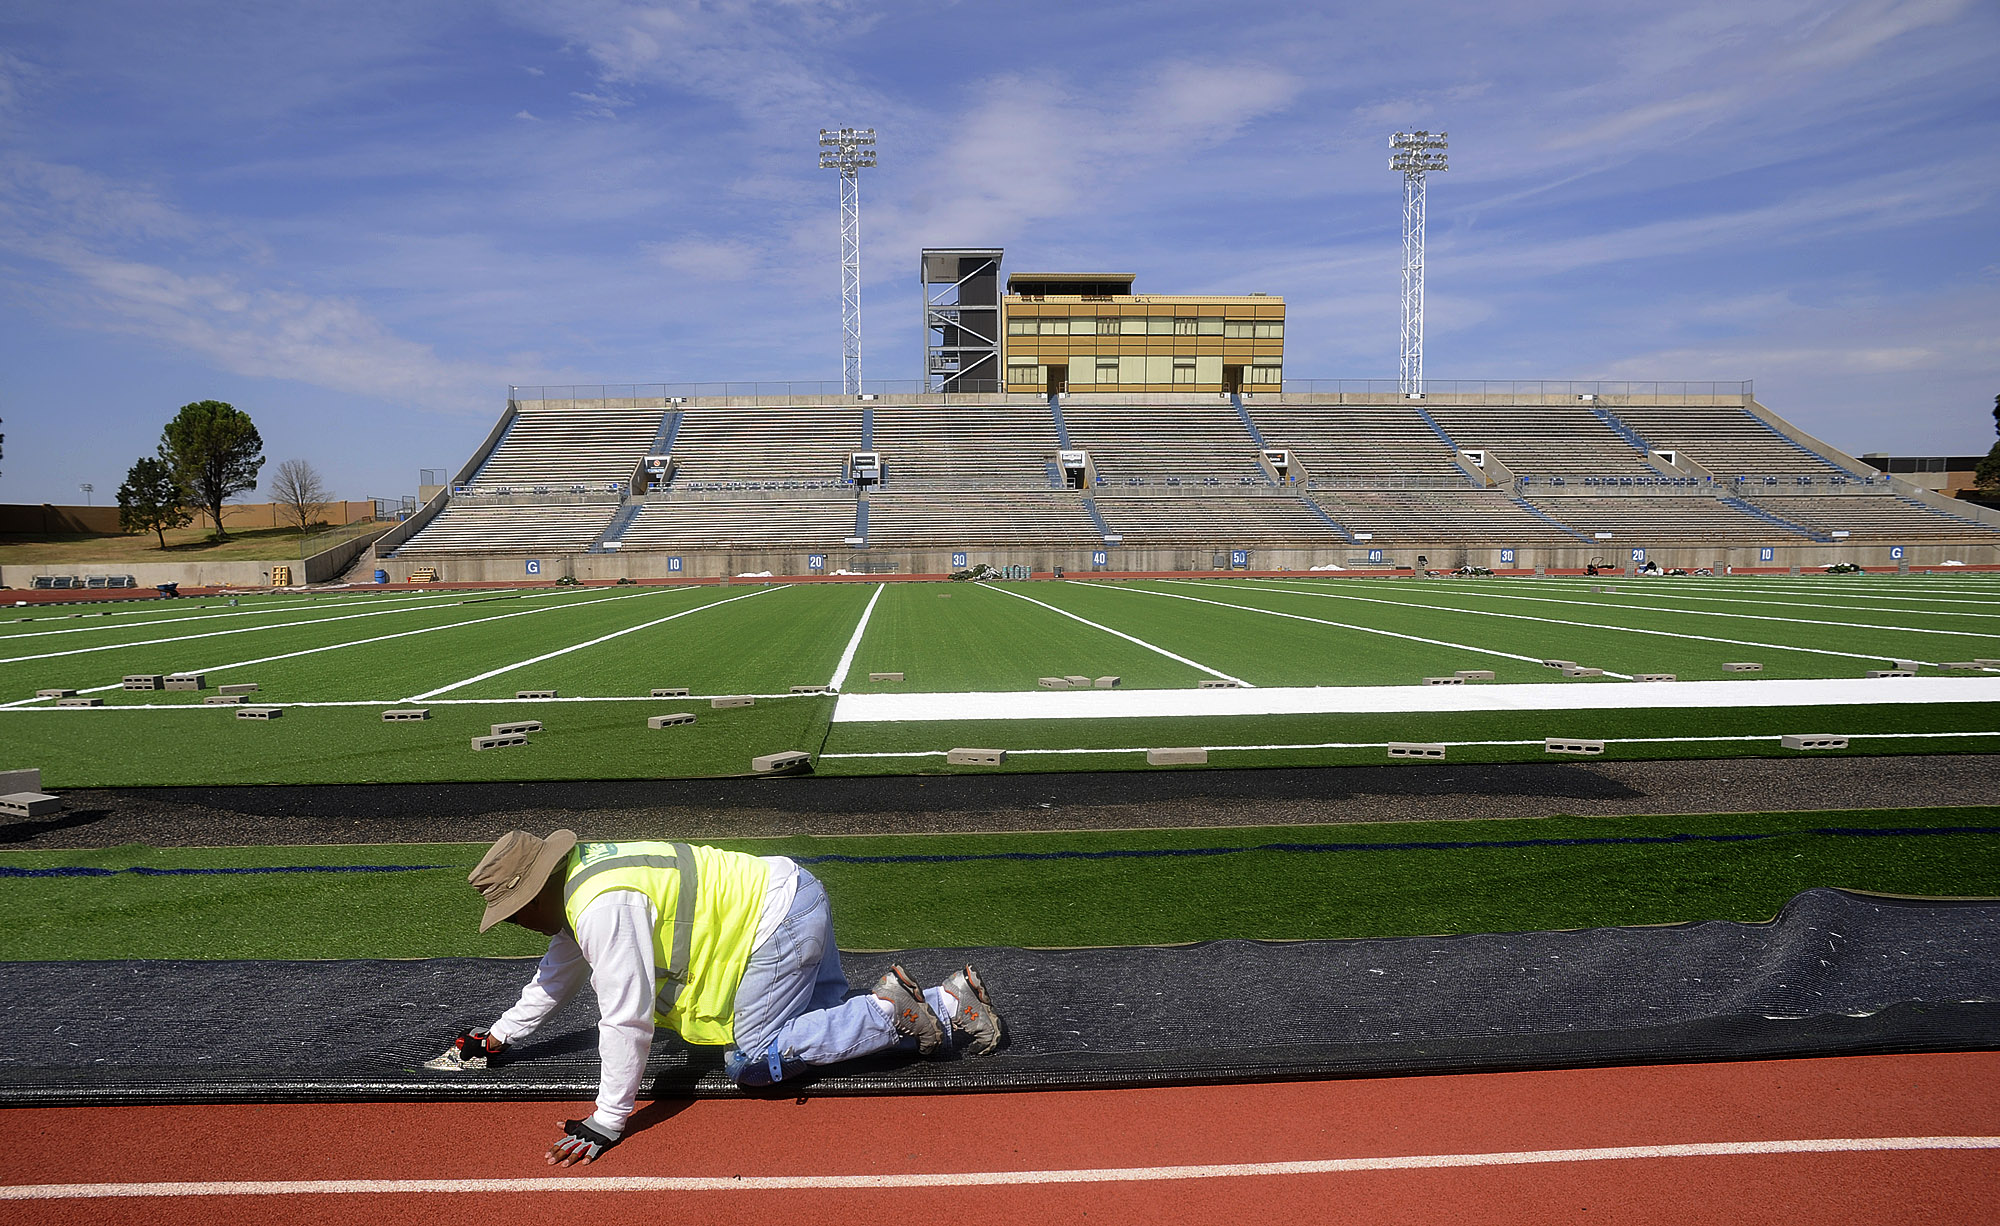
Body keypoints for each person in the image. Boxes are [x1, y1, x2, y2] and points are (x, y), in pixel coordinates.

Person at [434, 830, 1004, 1167]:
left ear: (536, 893)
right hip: (790, 893)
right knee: (822, 1034)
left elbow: (625, 1017)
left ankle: (890, 1011)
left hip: (777, 923)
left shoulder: (602, 906)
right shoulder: (586, 878)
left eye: (513, 913)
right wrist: (502, 1036)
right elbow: (557, 974)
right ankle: (952, 1002)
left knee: (754, 1060)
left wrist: (609, 1119)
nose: (516, 924)